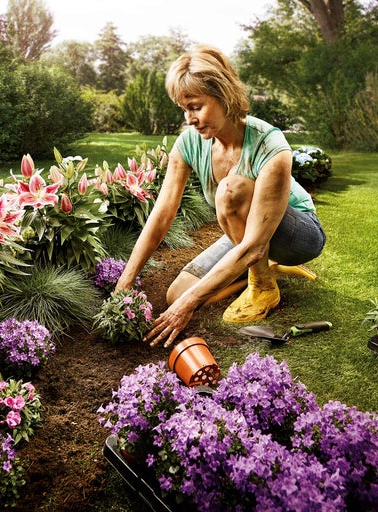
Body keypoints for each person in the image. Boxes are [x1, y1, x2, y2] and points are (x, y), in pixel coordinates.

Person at [114, 44, 326, 348]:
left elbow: (253, 244)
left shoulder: (270, 144)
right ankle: (268, 271)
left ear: (224, 95)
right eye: (184, 109)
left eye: (196, 106)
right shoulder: (189, 144)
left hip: (298, 234)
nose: (189, 118)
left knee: (231, 189)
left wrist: (187, 308)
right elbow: (161, 216)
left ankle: (262, 285)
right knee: (178, 292)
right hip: (249, 233)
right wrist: (126, 279)